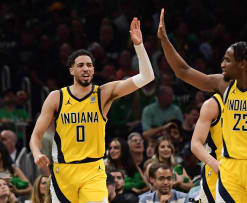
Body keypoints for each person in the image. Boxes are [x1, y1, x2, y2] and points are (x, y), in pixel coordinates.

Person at [157, 9, 247, 203]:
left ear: (242, 64)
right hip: (230, 167)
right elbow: (183, 71)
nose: (222, 64)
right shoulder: (223, 85)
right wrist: (165, 40)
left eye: (227, 60)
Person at [29, 17, 155, 202]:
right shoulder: (57, 97)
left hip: (93, 171)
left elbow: (147, 77)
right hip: (63, 172)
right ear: (71, 70)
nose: (86, 68)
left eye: (89, 65)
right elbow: (36, 135)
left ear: (94, 70)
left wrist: (139, 46)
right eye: (80, 65)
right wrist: (36, 153)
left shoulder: (104, 94)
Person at [191, 93, 223, 203]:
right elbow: (195, 144)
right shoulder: (213, 103)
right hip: (217, 170)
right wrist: (215, 164)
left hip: (245, 169)